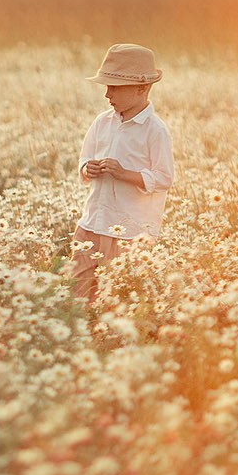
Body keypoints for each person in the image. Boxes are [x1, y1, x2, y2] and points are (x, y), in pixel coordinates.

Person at [72, 42, 174, 301]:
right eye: (106, 86)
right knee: (77, 295)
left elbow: (164, 178)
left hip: (127, 232)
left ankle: (108, 341)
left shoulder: (155, 130)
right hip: (92, 222)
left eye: (115, 87)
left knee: (117, 299)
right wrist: (88, 168)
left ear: (141, 88)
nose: (107, 94)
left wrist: (124, 173)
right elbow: (84, 161)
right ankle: (81, 337)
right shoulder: (102, 122)